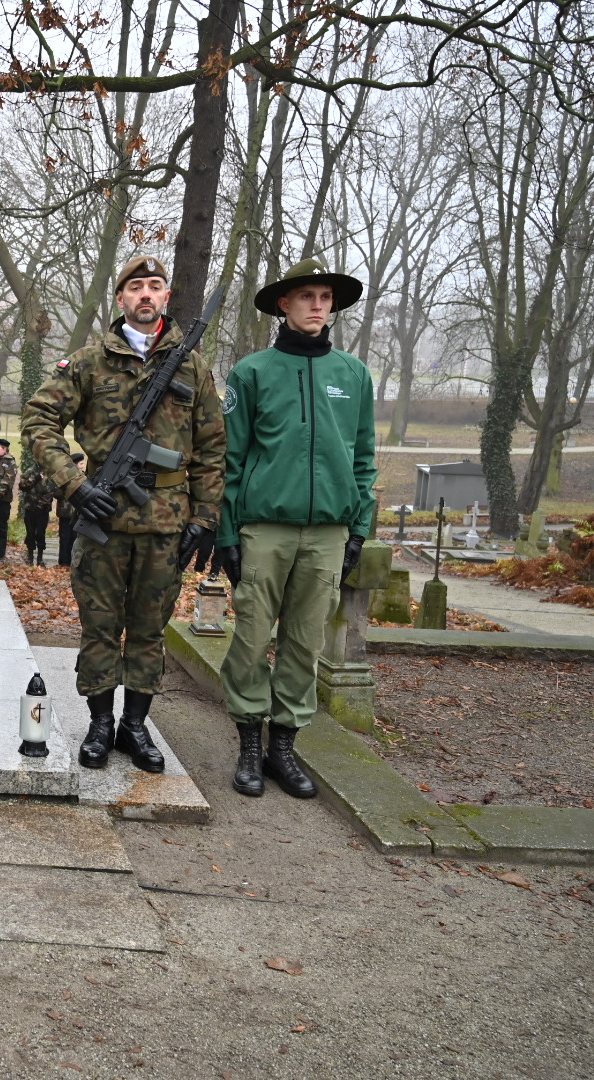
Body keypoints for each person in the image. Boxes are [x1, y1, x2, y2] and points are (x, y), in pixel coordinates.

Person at [20, 254, 226, 773]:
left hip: (166, 524)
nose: (146, 295)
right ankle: (99, 723)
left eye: (155, 286)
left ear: (165, 297)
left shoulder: (191, 366)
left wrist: (204, 517)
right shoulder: (89, 362)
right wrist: (74, 484)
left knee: (150, 630)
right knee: (99, 628)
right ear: (120, 299)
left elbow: (211, 447)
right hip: (104, 521)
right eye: (136, 287)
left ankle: (136, 725)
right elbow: (39, 419)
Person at [214, 259, 377, 799]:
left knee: (305, 643)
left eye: (325, 297)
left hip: (328, 532)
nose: (317, 306)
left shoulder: (353, 375)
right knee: (252, 637)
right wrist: (227, 533)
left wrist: (358, 530)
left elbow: (363, 459)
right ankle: (249, 745)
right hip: (265, 528)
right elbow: (231, 459)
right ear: (284, 304)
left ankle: (283, 747)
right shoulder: (253, 372)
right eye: (307, 296)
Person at [18, 461, 57, 566]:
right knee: (30, 533)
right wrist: (36, 478)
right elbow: (22, 486)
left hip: (43, 509)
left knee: (41, 533)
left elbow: (53, 490)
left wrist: (41, 504)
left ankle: (40, 557)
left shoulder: (51, 471)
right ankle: (30, 556)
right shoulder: (30, 471)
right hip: (30, 508)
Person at [56, 453, 86, 566]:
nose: (82, 466)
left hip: (78, 514)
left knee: (75, 539)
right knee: (65, 538)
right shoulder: (64, 476)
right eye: (81, 464)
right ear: (75, 464)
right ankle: (63, 562)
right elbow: (56, 493)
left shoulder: (84, 477)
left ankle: (73, 562)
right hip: (65, 513)